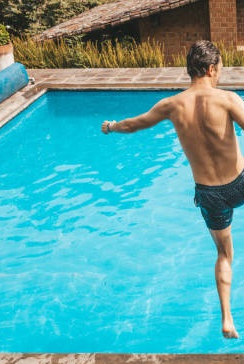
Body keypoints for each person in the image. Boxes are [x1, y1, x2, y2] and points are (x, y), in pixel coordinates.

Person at [101, 40, 244, 339]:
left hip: (210, 193)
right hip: (239, 181)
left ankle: (227, 318)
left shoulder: (172, 105)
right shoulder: (228, 100)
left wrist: (111, 126)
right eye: (218, 69)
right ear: (210, 68)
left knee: (224, 255)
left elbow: (134, 125)